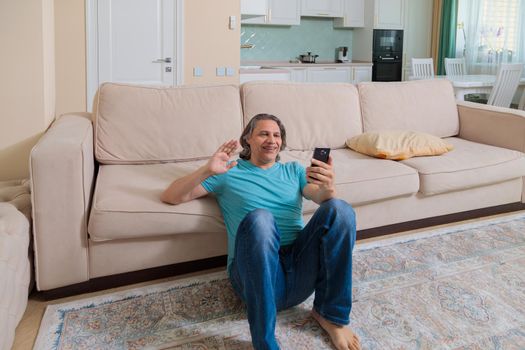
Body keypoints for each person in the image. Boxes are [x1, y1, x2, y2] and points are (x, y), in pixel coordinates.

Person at [161, 114, 360, 350]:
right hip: (252, 275)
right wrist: (207, 170)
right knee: (261, 218)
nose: (272, 140)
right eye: (264, 133)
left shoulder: (293, 170)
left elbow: (320, 198)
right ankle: (264, 343)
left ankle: (330, 316)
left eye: (277, 135)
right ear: (248, 139)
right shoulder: (228, 172)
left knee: (341, 209)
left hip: (297, 273)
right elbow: (171, 196)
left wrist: (328, 188)